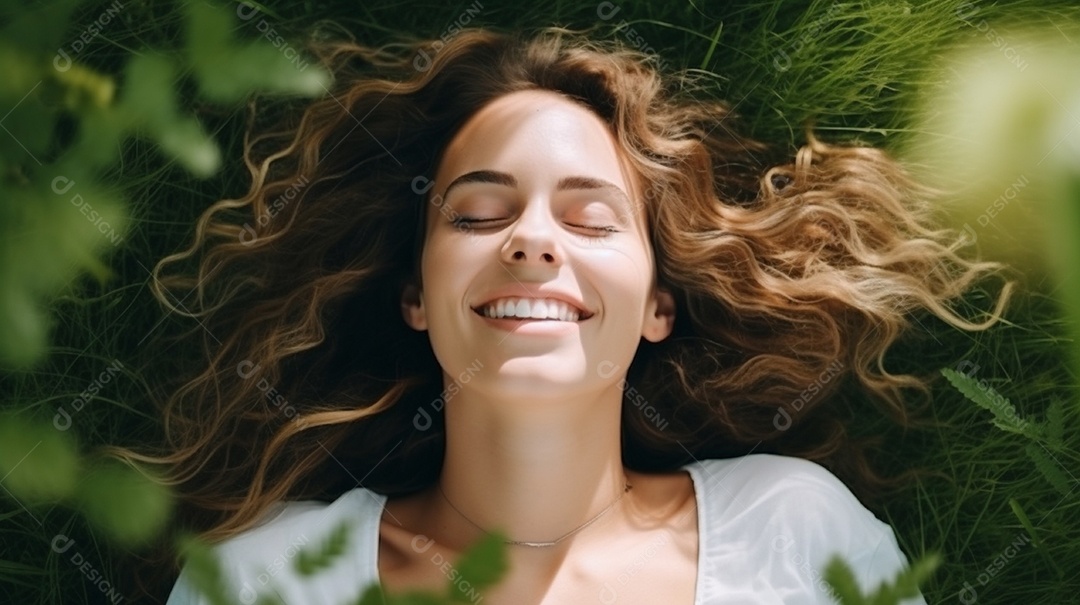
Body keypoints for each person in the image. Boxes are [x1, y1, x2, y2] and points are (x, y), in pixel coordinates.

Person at [127, 25, 1013, 604]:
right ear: (415, 298)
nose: (532, 241)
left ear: (658, 304)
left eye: (591, 218)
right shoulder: (265, 577)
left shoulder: (798, 531)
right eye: (477, 214)